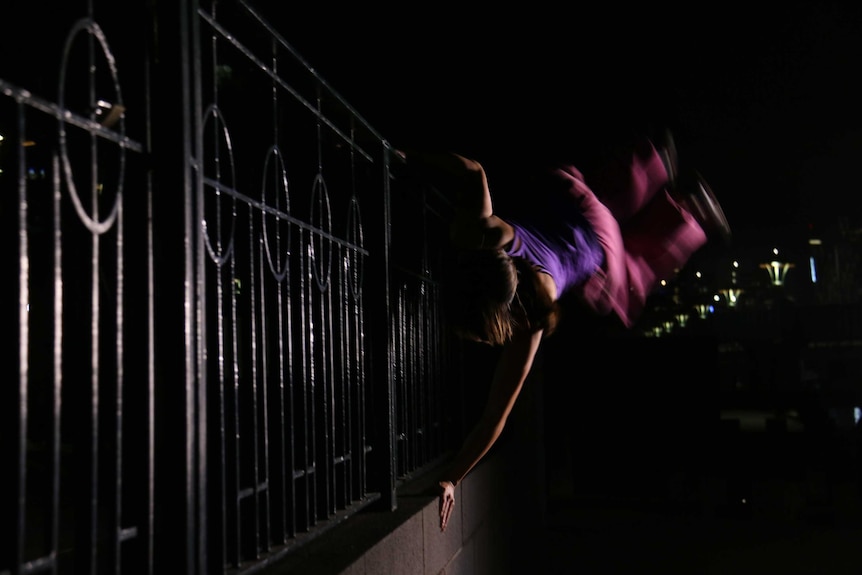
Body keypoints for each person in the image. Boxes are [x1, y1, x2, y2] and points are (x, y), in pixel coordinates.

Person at [397, 130, 731, 532]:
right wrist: (408, 154)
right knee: (617, 211)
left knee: (636, 270)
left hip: (597, 245)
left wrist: (453, 476)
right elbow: (474, 170)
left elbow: (495, 416)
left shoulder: (532, 317)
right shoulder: (486, 236)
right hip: (583, 210)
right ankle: (658, 168)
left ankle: (689, 216)